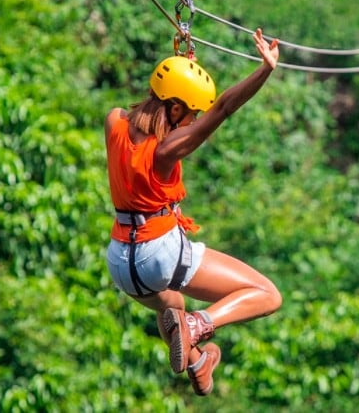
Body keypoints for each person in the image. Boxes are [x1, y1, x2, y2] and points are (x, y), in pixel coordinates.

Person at [103, 28, 283, 396]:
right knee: (266, 294)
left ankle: (200, 363)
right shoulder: (166, 152)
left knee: (173, 308)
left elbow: (147, 110)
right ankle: (202, 325)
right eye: (189, 114)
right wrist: (264, 70)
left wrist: (182, 65)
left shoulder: (114, 121)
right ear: (174, 108)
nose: (191, 121)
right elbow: (224, 108)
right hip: (157, 253)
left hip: (121, 263)